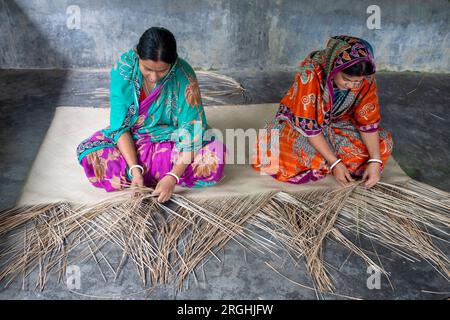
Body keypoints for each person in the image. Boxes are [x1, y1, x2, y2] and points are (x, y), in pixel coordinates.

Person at [76, 27, 225, 202]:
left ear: (173, 62)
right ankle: (143, 175)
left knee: (216, 158)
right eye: (147, 68)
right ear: (138, 55)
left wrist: (173, 177)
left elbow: (192, 132)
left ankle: (158, 176)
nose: (154, 77)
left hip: (173, 138)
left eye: (162, 70)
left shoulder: (184, 74)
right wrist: (134, 170)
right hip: (134, 138)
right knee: (90, 156)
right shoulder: (124, 70)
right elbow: (120, 127)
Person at [252, 35, 393, 188]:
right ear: (333, 68)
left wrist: (375, 161)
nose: (352, 86)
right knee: (288, 150)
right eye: (346, 79)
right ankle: (332, 163)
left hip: (339, 125)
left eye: (357, 82)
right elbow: (310, 128)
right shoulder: (311, 72)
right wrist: (335, 162)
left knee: (384, 142)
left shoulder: (366, 77)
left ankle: (325, 162)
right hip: (302, 128)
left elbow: (367, 122)